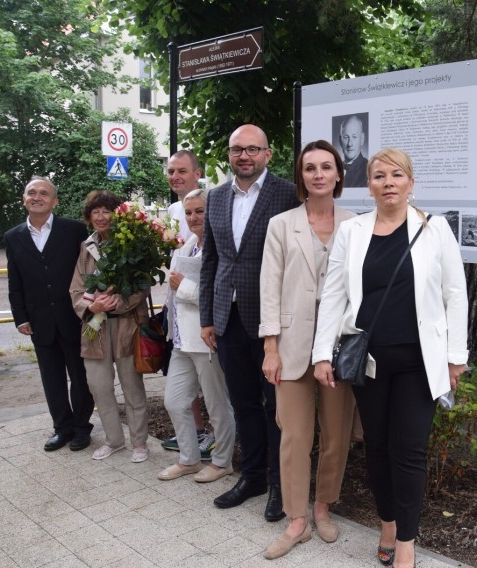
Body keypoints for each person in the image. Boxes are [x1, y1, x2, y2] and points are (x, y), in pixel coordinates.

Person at [312, 148, 469, 568]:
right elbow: (334, 294)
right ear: (370, 186)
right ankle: (386, 521)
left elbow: (456, 295)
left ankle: (406, 542)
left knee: (409, 449)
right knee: (377, 447)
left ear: (410, 182)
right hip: (369, 360)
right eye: (379, 176)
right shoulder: (354, 231)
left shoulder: (435, 230)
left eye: (396, 174)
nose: (388, 182)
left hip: (420, 362)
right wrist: (321, 353)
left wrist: (456, 358)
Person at [260, 141, 356, 559]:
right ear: (301, 177)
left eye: (326, 167)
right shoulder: (282, 224)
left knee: (336, 435)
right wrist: (270, 347)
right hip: (292, 346)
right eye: (310, 168)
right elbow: (269, 289)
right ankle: (296, 518)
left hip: (339, 347)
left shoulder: (357, 224)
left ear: (338, 176)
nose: (318, 174)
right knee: (295, 435)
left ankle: (323, 507)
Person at [199, 124, 298, 519]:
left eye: (253, 149)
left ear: (268, 154)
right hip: (228, 318)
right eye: (238, 149)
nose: (245, 156)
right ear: (229, 154)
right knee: (243, 403)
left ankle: (279, 484)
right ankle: (253, 475)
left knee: (276, 405)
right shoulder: (216, 196)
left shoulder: (288, 194)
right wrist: (207, 317)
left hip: (272, 320)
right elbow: (212, 261)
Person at [4, 176, 94, 452]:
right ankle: (62, 428)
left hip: (74, 318)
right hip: (38, 321)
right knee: (51, 378)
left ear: (55, 201)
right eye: (32, 192)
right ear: (24, 199)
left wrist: (89, 307)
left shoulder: (75, 230)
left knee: (80, 377)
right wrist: (20, 316)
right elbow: (14, 280)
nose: (37, 197)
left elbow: (90, 271)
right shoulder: (13, 236)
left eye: (44, 193)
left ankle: (81, 427)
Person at [158, 188, 235, 482]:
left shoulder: (221, 247)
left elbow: (224, 294)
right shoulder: (186, 245)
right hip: (180, 339)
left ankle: (222, 461)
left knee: (217, 406)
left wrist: (184, 287)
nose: (193, 218)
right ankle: (189, 459)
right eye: (188, 212)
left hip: (207, 340)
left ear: (212, 211)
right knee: (175, 401)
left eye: (199, 211)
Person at [69, 190, 150, 463]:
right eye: (96, 212)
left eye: (107, 211)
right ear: (89, 217)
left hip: (126, 324)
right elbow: (76, 288)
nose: (102, 217)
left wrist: (116, 302)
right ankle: (114, 440)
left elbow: (141, 286)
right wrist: (91, 307)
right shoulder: (86, 246)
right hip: (94, 325)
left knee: (131, 385)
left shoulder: (131, 244)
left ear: (118, 214)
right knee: (99, 386)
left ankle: (139, 442)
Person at [162, 150, 213, 459]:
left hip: (204, 317)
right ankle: (194, 435)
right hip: (180, 315)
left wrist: (183, 289)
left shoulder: (213, 206)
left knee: (215, 392)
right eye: (170, 171)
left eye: (181, 170)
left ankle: (217, 441)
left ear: (197, 173)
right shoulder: (171, 210)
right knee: (180, 390)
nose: (175, 176)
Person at [339, 115, 368, 188]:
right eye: (346, 137)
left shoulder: (368, 170)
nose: (350, 144)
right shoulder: (333, 168)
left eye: (354, 137)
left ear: (362, 139)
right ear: (340, 141)